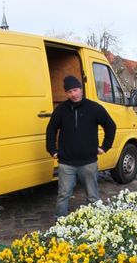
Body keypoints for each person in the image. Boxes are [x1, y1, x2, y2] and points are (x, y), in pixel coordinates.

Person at [46, 75, 116, 218]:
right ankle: (60, 221)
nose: (74, 94)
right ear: (67, 93)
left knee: (92, 195)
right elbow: (51, 129)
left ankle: (96, 221)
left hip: (89, 162)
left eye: (76, 90)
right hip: (66, 162)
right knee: (63, 195)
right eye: (70, 91)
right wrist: (52, 150)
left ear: (81, 90)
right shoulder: (61, 110)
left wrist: (105, 147)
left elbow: (111, 126)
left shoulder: (94, 108)